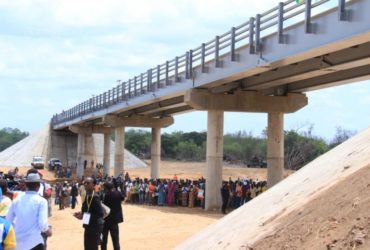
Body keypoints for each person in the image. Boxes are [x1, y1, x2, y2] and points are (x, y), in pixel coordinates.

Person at [6, 173, 51, 250]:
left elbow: (8, 221)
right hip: (34, 243)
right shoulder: (41, 201)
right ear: (38, 186)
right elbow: (42, 225)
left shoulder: (16, 200)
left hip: (18, 243)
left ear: (26, 185)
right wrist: (48, 230)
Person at [73, 177, 104, 250]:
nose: (85, 185)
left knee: (92, 247)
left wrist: (84, 216)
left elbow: (100, 214)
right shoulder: (87, 196)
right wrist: (81, 214)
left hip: (94, 228)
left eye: (88, 183)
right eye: (84, 183)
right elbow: (88, 210)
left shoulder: (95, 197)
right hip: (88, 226)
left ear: (93, 185)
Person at [101, 182, 124, 250]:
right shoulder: (118, 193)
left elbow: (104, 206)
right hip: (115, 220)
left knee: (104, 240)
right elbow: (122, 198)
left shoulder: (106, 195)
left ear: (106, 188)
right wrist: (118, 190)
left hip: (106, 220)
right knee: (116, 240)